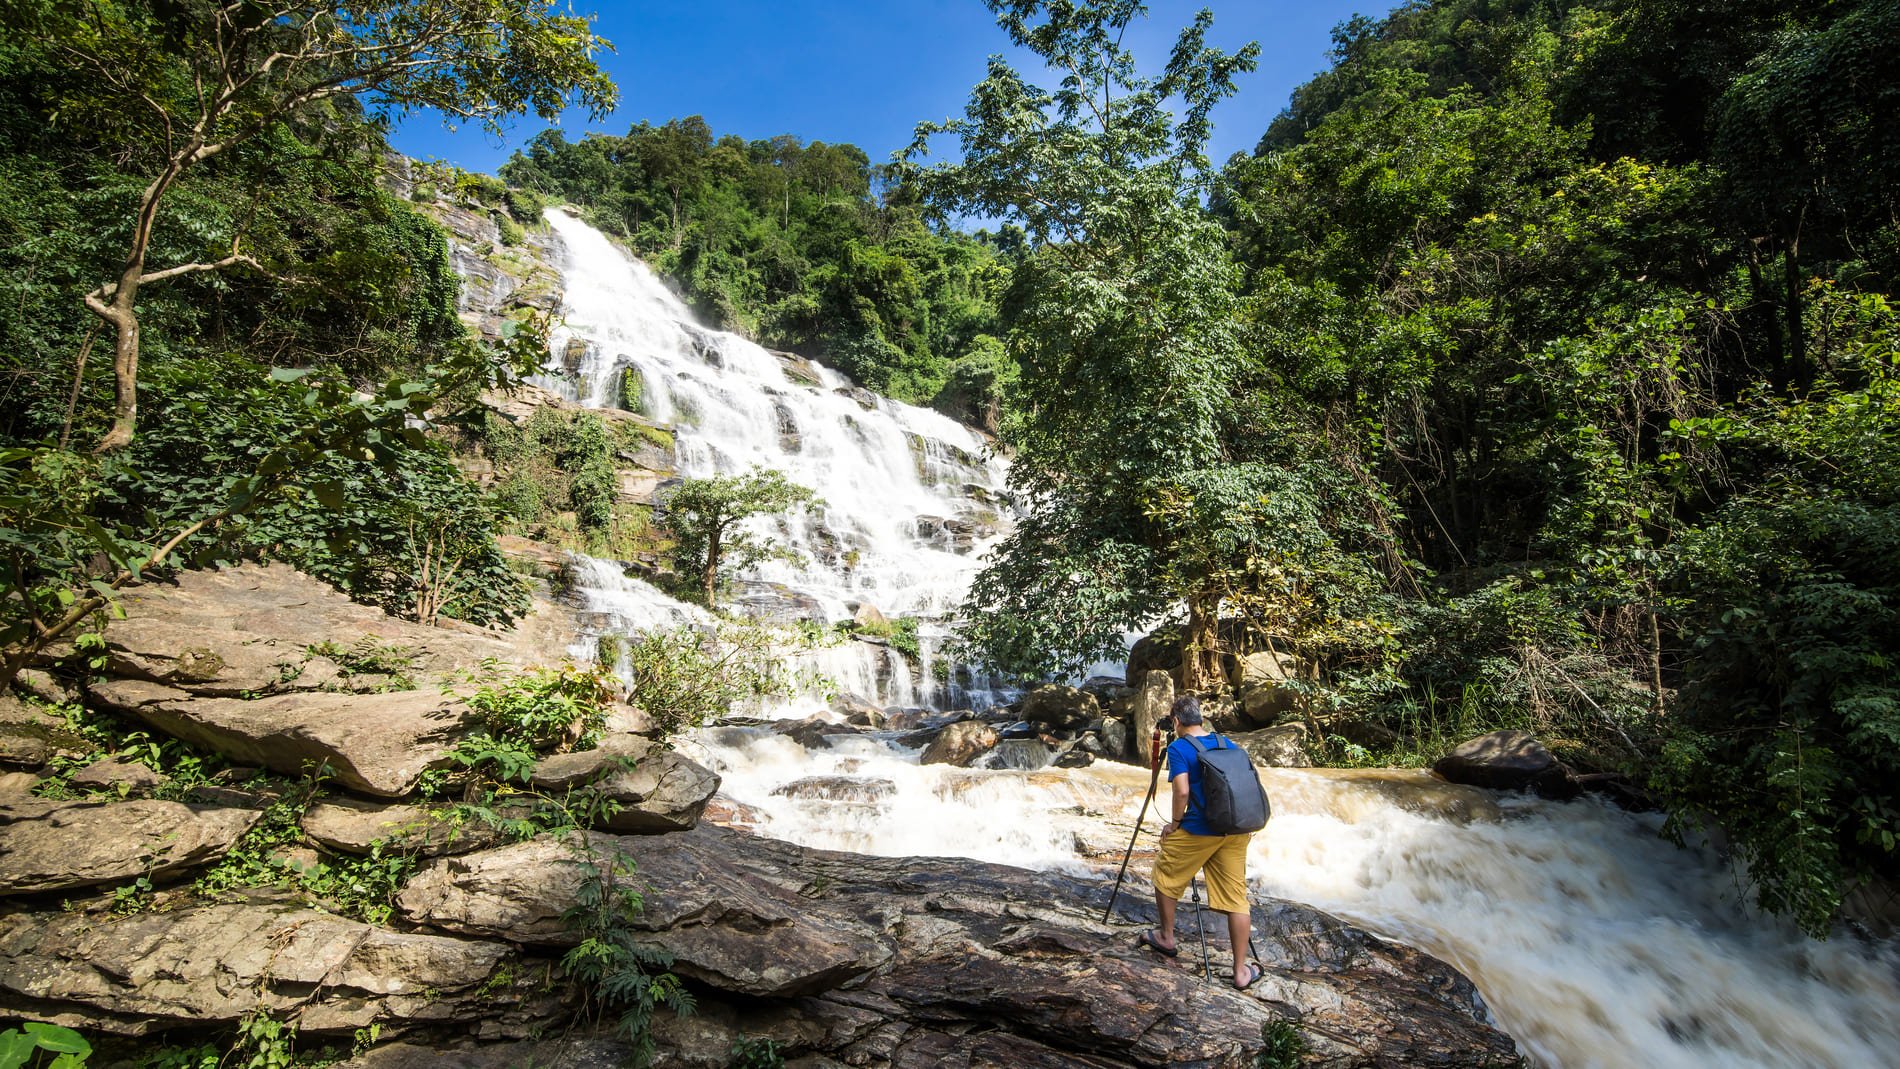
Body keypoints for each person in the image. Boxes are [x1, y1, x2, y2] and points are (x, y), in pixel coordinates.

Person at [1137, 695, 1262, 990]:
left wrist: (1174, 825)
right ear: (1202, 720)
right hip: (1235, 829)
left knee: (1165, 875)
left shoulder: (1180, 747)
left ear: (1177, 722)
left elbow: (1181, 792)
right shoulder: (1227, 743)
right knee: (1236, 898)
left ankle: (1167, 937)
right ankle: (1241, 972)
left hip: (1199, 829)